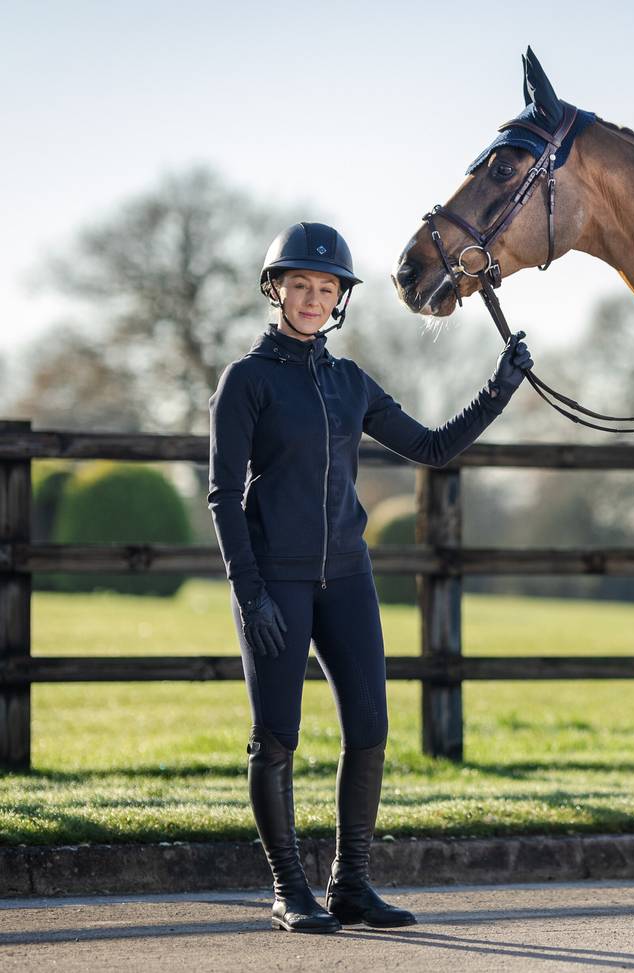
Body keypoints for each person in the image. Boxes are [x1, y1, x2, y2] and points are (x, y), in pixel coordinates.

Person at [207, 222, 533, 933]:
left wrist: (500, 388)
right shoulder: (247, 381)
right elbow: (223, 497)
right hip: (276, 584)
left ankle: (350, 884)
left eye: (325, 288)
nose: (312, 298)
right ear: (276, 290)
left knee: (371, 729)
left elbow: (433, 446)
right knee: (277, 738)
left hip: (347, 577)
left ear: (339, 299)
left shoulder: (349, 382)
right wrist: (249, 590)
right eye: (300, 285)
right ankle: (289, 889)